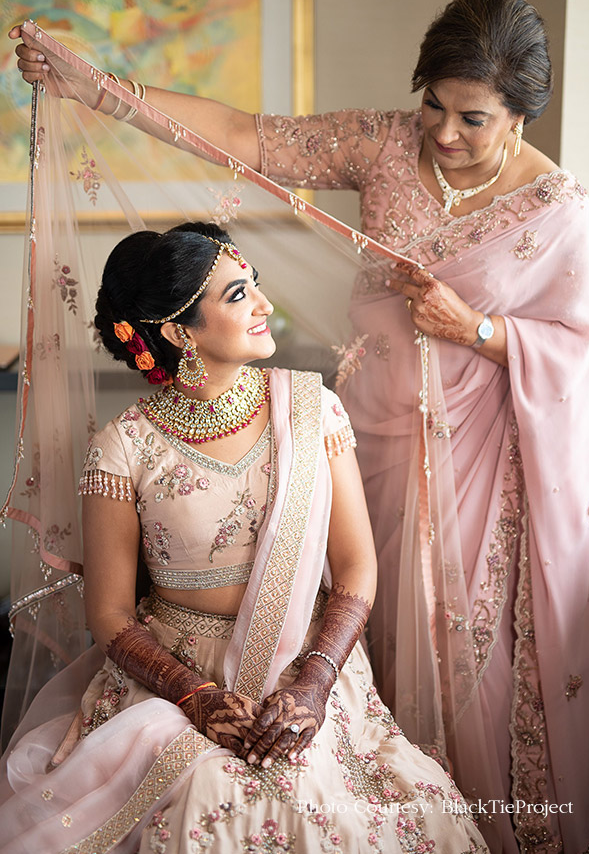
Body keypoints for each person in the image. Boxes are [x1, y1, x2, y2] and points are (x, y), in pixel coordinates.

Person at [10, 0, 589, 852]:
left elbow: (586, 345)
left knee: (466, 657)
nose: (444, 133)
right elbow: (247, 135)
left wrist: (476, 329)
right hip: (368, 436)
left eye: (473, 119)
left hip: (485, 459)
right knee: (359, 620)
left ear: (520, 115)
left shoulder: (553, 207)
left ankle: (484, 826)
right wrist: (95, 86)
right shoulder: (384, 144)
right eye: (433, 105)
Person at [0, 221, 488, 852]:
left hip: (304, 666)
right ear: (179, 332)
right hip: (174, 682)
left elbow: (356, 567)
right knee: (211, 802)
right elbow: (111, 613)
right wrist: (195, 697)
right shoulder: (123, 447)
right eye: (238, 295)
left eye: (254, 284)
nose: (264, 304)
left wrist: (314, 683)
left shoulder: (312, 410)